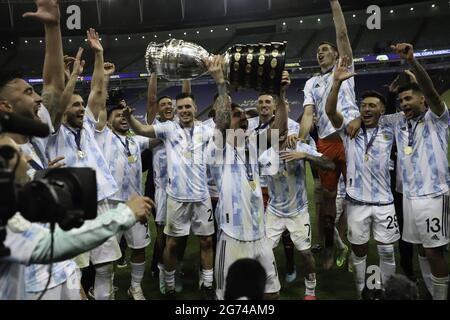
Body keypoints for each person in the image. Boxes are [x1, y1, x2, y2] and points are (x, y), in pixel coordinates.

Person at [0, 134, 154, 300]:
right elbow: (53, 243)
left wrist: (76, 287)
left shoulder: (18, 200)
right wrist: (124, 214)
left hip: (59, 282)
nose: (28, 157)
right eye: (19, 154)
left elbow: (59, 254)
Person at [45, 28, 122, 300]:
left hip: (100, 202)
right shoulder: (53, 131)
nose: (81, 108)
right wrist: (73, 76)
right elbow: (55, 103)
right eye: (75, 104)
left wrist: (98, 54)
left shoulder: (89, 125)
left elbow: (99, 90)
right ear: (64, 107)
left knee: (105, 266)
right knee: (74, 271)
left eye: (82, 104)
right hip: (71, 208)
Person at [204, 55, 289, 300]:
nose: (242, 117)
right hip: (233, 237)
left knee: (272, 293)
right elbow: (221, 124)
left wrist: (281, 96)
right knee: (230, 297)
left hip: (259, 235)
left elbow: (280, 131)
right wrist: (221, 82)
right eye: (236, 114)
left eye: (243, 114)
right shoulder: (217, 148)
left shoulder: (251, 143)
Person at [124, 90, 215, 300]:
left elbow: (224, 128)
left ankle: (208, 285)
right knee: (171, 243)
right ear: (177, 110)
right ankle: (170, 286)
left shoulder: (206, 131)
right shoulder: (168, 128)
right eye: (180, 107)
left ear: (194, 108)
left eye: (187, 107)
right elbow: (143, 129)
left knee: (207, 241)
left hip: (202, 197)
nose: (184, 110)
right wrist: (129, 117)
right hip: (176, 198)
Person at [325, 56, 400, 298]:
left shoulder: (391, 126)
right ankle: (361, 292)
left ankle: (386, 292)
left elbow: (415, 110)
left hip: (385, 204)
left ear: (382, 110)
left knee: (387, 251)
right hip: (356, 203)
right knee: (359, 252)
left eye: (372, 106)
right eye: (363, 106)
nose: (366, 109)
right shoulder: (349, 131)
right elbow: (329, 111)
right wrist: (336, 83)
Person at [379, 43, 449, 300]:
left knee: (434, 252)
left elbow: (431, 91)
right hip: (409, 197)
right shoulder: (399, 123)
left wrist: (413, 63)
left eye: (409, 99)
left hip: (433, 195)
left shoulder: (438, 118)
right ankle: (431, 291)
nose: (404, 104)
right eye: (401, 101)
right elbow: (375, 116)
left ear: (422, 100)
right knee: (420, 248)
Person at [298, 0, 360, 269]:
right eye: (318, 51)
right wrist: (301, 139)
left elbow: (343, 35)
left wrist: (334, 2)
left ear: (337, 55)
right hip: (326, 142)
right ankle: (333, 245)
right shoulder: (311, 82)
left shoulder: (344, 67)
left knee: (355, 196)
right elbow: (309, 114)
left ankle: (350, 245)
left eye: (325, 50)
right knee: (327, 199)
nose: (320, 53)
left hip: (350, 136)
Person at [259, 122, 335, 300]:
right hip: (274, 212)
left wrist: (305, 155)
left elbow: (329, 165)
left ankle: (310, 291)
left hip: (298, 212)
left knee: (305, 253)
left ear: (288, 132)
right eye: (275, 133)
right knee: (263, 253)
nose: (280, 137)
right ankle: (269, 285)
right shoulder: (264, 157)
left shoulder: (301, 147)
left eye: (283, 133)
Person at [94, 73, 152, 299]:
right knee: (107, 255)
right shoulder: (103, 137)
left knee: (138, 248)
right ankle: (106, 288)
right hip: (111, 205)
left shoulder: (135, 140)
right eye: (118, 115)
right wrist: (105, 79)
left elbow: (157, 138)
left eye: (125, 115)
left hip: (135, 204)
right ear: (108, 121)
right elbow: (98, 105)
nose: (123, 118)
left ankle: (135, 286)